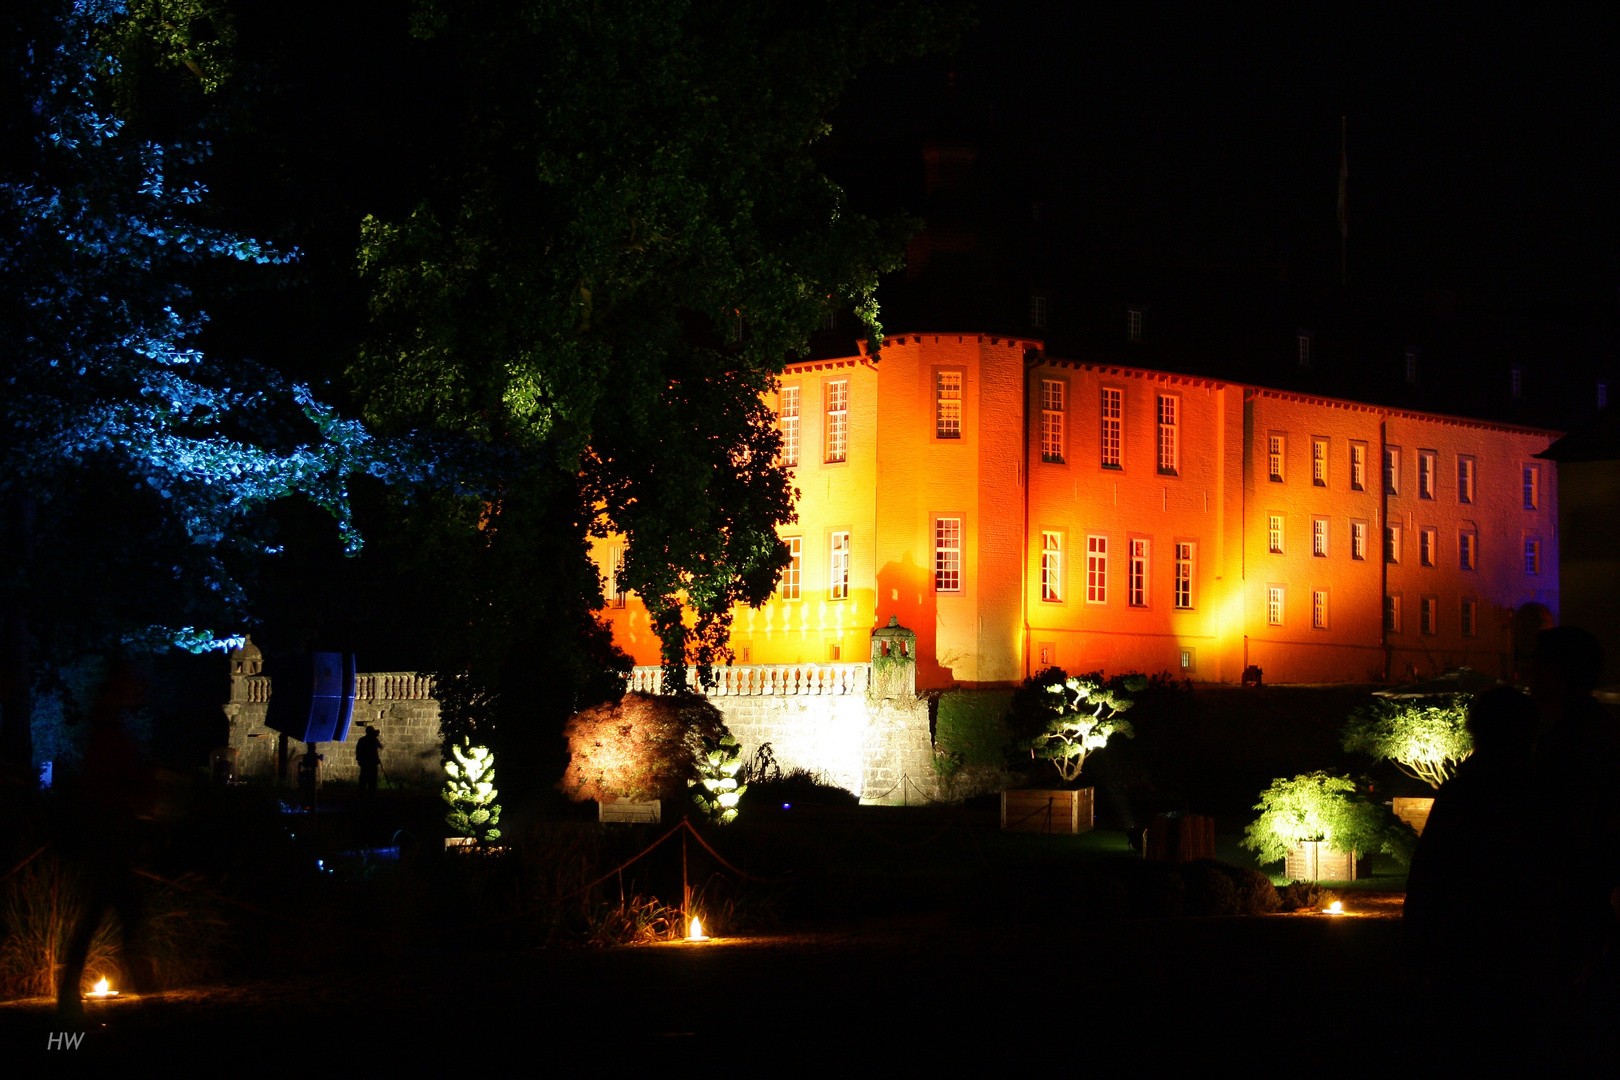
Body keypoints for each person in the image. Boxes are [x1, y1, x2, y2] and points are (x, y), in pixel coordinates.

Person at [356, 726, 383, 798]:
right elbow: (380, 746)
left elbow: (358, 751)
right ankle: (370, 796)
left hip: (365, 763)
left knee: (364, 780)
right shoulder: (373, 740)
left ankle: (361, 795)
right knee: (372, 781)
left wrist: (359, 760)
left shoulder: (362, 740)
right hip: (371, 763)